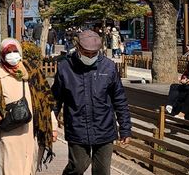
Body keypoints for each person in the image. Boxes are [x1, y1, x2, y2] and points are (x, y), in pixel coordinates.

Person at [52, 30, 132, 175]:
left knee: (102, 171)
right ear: (78, 48)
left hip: (104, 127)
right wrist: (51, 124)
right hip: (77, 127)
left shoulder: (108, 67)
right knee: (78, 166)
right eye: (87, 53)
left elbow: (119, 99)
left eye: (93, 54)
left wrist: (125, 128)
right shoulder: (65, 67)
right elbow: (55, 100)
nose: (90, 57)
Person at [0, 38, 58, 175]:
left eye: (14, 51)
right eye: (7, 52)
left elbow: (46, 101)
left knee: (28, 169)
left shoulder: (32, 71)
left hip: (31, 132)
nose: (12, 55)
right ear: (1, 54)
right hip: (8, 132)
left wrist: (53, 126)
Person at [165, 45, 189, 120]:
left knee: (182, 95)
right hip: (188, 87)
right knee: (174, 86)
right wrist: (184, 79)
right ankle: (169, 107)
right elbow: (185, 74)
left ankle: (179, 115)